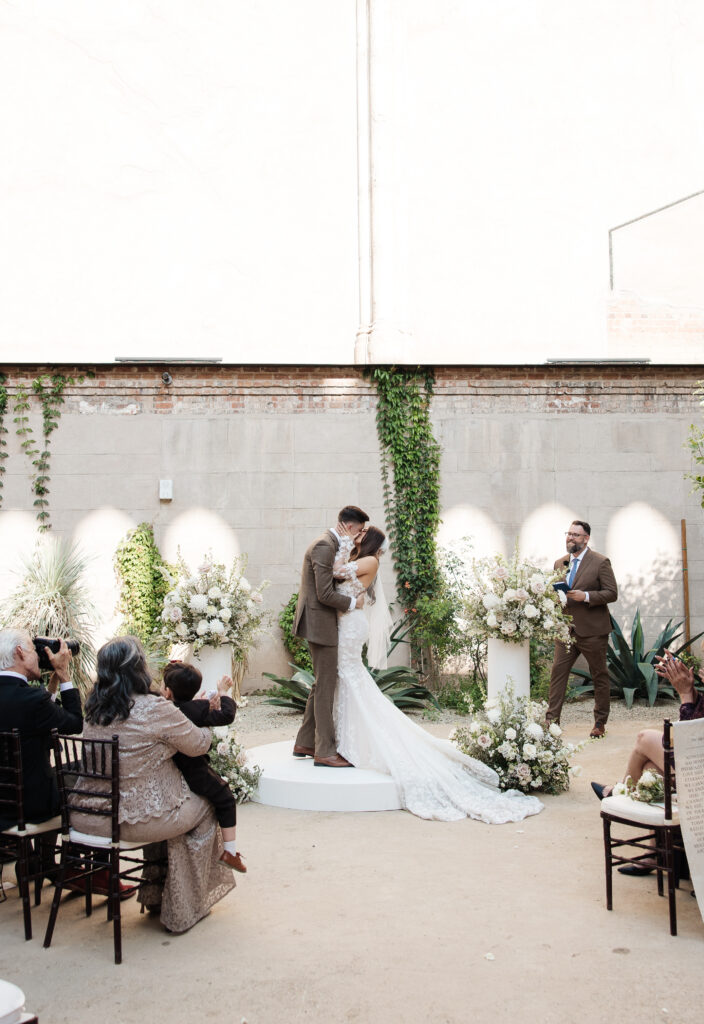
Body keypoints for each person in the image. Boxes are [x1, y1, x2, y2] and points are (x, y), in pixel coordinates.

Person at [331, 526, 544, 822]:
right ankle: (346, 740)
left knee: (351, 677)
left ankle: (354, 741)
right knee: (348, 679)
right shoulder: (364, 559)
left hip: (351, 626)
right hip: (347, 622)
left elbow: (337, 572)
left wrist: (340, 542)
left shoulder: (369, 561)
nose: (355, 536)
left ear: (368, 542)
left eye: (360, 534)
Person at [75, 636, 235, 933]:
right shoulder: (154, 708)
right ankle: (182, 904)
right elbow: (198, 746)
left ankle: (153, 891)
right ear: (139, 670)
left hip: (92, 817)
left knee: (166, 804)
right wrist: (205, 716)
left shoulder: (92, 708)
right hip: (139, 821)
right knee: (205, 805)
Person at [590, 651, 704, 875]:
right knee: (651, 770)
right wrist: (690, 691)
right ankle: (653, 854)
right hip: (696, 768)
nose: (700, 670)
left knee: (644, 738)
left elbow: (689, 741)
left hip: (697, 776)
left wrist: (685, 696)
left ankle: (618, 791)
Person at [292, 505, 368, 767]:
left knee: (321, 682)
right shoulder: (325, 546)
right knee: (326, 686)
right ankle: (324, 751)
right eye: (358, 532)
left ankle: (305, 741)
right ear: (348, 527)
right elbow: (324, 593)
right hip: (321, 623)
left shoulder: (330, 544)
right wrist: (352, 604)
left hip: (321, 622)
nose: (358, 537)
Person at [162, 661, 246, 873]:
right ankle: (230, 851)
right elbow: (227, 715)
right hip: (194, 771)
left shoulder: (165, 710)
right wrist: (223, 692)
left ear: (168, 691)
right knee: (225, 797)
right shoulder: (197, 710)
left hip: (169, 769)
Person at [0, 628, 82, 830]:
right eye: (33, 651)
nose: (38, 656)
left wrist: (53, 679)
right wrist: (63, 673)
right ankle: (57, 860)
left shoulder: (32, 700)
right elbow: (74, 723)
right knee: (86, 780)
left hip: (3, 806)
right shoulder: (34, 700)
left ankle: (36, 860)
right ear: (20, 652)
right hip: (31, 806)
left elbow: (41, 715)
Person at [546, 520, 618, 738]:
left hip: (593, 631)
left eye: (576, 535)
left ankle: (599, 723)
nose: (571, 538)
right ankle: (551, 723)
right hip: (565, 630)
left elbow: (611, 593)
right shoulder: (560, 563)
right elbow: (556, 593)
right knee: (558, 674)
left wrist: (585, 596)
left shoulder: (600, 562)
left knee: (599, 676)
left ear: (586, 538)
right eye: (568, 534)